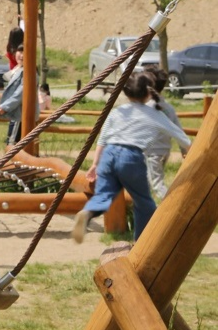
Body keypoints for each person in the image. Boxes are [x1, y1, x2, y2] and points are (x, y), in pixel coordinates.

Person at [72, 71, 192, 243]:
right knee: (144, 204)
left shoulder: (118, 111)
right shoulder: (156, 114)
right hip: (131, 157)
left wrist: (95, 164)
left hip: (108, 155)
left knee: (104, 195)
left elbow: (104, 137)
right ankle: (139, 244)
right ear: (149, 93)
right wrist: (190, 151)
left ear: (127, 93)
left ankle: (87, 212)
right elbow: (183, 138)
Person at [144, 66, 186, 200]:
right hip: (163, 152)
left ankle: (173, 206)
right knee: (148, 183)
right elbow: (178, 130)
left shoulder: (147, 108)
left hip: (152, 153)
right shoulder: (168, 107)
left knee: (157, 185)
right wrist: (184, 150)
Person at [0, 44, 37, 146]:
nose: (22, 55)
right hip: (17, 112)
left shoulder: (29, 71)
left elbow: (21, 92)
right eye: (20, 52)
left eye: (25, 52)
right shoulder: (19, 69)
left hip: (21, 112)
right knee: (16, 143)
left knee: (13, 144)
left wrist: (5, 106)